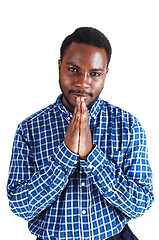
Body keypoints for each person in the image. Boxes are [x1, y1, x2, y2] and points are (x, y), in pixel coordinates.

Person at [7, 27, 154, 240]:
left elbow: (140, 204)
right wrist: (65, 155)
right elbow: (21, 207)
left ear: (105, 74)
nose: (82, 82)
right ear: (59, 67)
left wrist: (91, 156)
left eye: (94, 73)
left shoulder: (128, 126)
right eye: (73, 69)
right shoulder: (29, 129)